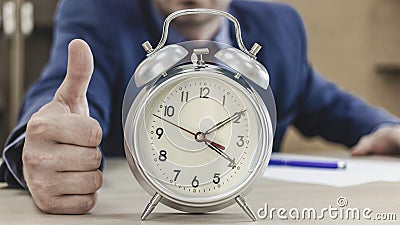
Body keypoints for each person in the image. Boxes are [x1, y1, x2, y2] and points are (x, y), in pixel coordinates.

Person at [1, 0, 400, 215]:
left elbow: (322, 100)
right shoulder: (97, 12)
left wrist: (384, 126)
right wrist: (40, 145)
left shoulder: (279, 24)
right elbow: (63, 92)